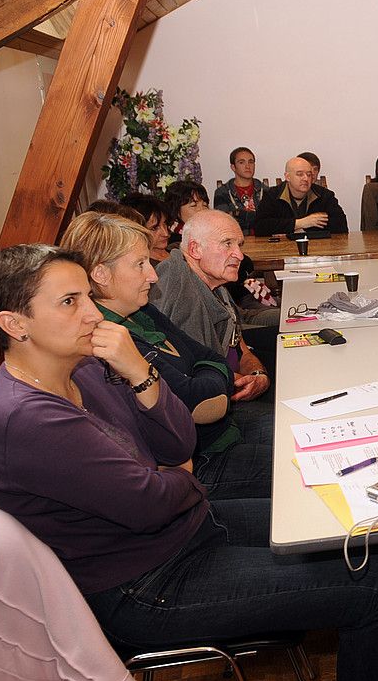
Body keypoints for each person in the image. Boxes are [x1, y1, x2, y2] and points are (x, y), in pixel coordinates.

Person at [0, 243, 378, 681]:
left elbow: (182, 436)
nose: (92, 313)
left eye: (88, 296)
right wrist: (176, 476)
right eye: (70, 302)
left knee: (358, 528)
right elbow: (149, 501)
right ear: (14, 323)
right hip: (149, 583)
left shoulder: (86, 369)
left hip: (184, 532)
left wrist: (139, 372)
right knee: (377, 582)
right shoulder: (27, 418)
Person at [62, 211, 272, 503]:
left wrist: (209, 373)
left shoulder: (141, 311)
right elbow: (196, 401)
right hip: (204, 462)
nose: (152, 274)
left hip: (223, 434)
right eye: (140, 264)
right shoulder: (112, 340)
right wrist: (211, 374)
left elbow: (211, 358)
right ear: (100, 274)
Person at [150, 210, 272, 409]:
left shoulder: (216, 285)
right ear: (195, 249)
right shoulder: (176, 282)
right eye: (227, 244)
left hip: (235, 388)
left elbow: (240, 348)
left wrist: (259, 376)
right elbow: (191, 373)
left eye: (239, 245)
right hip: (219, 406)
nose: (239, 255)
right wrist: (249, 383)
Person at [253, 156, 348, 236]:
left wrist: (293, 230)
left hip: (317, 249)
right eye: (300, 174)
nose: (305, 178)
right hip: (281, 251)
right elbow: (260, 227)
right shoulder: (272, 195)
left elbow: (341, 227)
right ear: (287, 177)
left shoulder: (324, 195)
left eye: (309, 174)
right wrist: (300, 223)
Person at [213, 146, 265, 235]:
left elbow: (272, 221)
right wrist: (258, 218)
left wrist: (237, 214)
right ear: (233, 167)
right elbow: (225, 224)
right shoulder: (222, 192)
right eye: (241, 162)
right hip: (236, 242)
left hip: (264, 240)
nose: (248, 166)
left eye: (251, 162)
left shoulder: (266, 190)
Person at [120, 192, 173, 264]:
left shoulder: (177, 251)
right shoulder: (142, 268)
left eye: (165, 224)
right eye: (154, 228)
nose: (165, 233)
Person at [164, 180, 211, 246]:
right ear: (175, 209)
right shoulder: (171, 242)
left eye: (205, 205)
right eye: (194, 205)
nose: (202, 210)